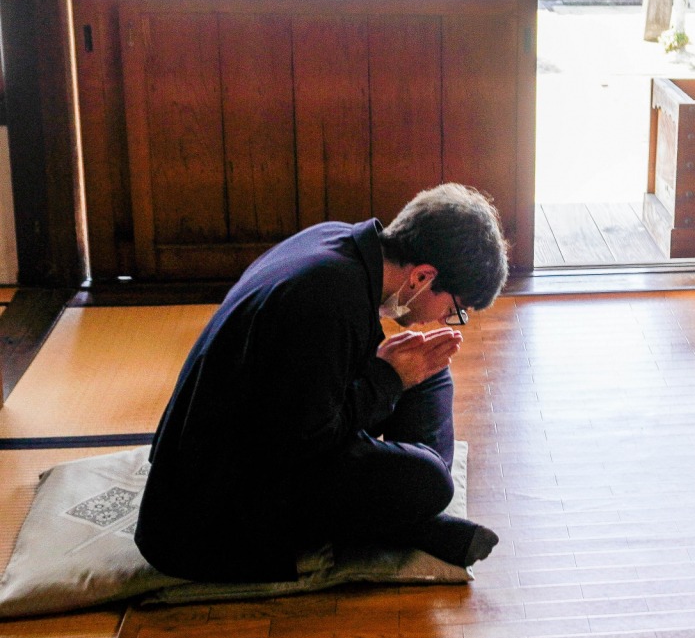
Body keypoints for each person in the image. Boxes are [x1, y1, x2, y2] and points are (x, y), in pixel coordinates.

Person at [135, 183, 509, 582]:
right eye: (454, 309)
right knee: (429, 481)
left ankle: (414, 515)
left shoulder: (337, 240)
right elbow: (304, 441)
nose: (445, 320)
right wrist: (388, 379)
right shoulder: (326, 299)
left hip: (273, 434)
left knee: (428, 368)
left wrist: (396, 377)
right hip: (207, 518)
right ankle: (416, 520)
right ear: (421, 277)